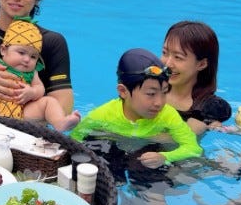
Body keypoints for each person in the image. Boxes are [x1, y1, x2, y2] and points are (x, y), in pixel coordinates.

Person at [70, 48, 203, 168]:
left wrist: (165, 157)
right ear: (123, 91)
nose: (159, 103)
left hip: (147, 154)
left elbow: (193, 148)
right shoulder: (102, 115)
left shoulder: (168, 115)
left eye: (164, 92)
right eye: (151, 94)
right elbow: (74, 139)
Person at [0, 16, 81, 132]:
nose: (27, 59)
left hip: (22, 112)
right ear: (3, 50)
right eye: (21, 52)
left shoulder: (31, 72)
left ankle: (60, 122)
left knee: (49, 102)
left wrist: (32, 92)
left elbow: (40, 88)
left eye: (33, 56)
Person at [161, 20, 231, 135]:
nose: (168, 64)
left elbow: (181, 139)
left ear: (201, 64)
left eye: (178, 57)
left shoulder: (207, 109)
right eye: (165, 53)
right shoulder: (148, 88)